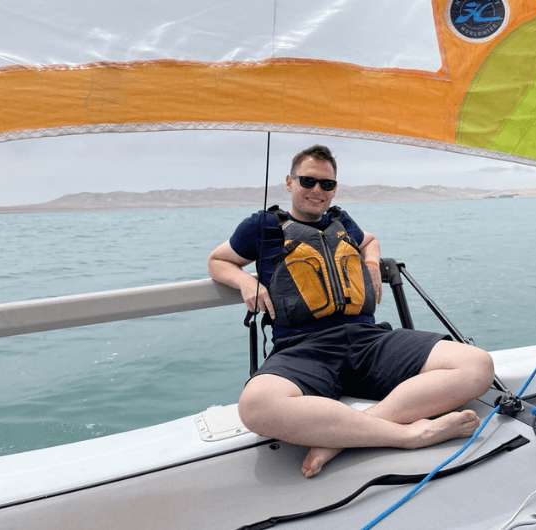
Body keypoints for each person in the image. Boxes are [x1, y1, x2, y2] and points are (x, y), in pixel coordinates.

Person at [207, 144, 494, 478]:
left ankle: (343, 437)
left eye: (326, 185)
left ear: (334, 189)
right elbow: (218, 260)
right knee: (255, 406)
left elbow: (369, 240)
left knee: (477, 364)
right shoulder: (263, 226)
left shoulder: (341, 221)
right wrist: (244, 281)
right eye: (308, 181)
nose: (317, 191)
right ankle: (407, 435)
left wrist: (371, 261)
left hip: (368, 341)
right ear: (289, 182)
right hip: (304, 349)